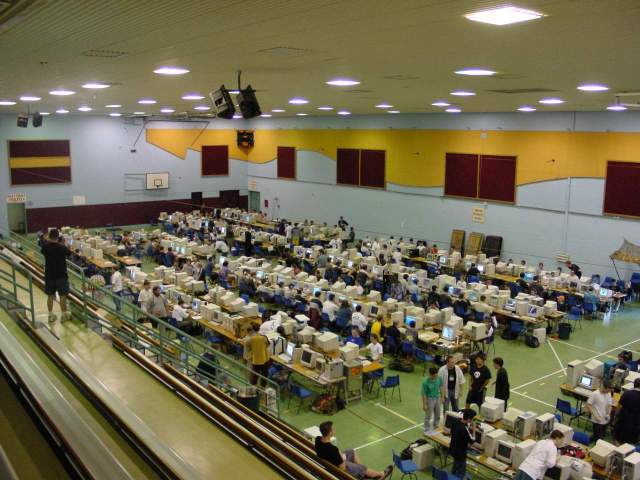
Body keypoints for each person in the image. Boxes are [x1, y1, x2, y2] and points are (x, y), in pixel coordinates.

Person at [314, 421, 392, 479]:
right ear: (330, 433)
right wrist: (342, 458)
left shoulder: (318, 439)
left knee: (350, 451)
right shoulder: (333, 449)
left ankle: (363, 473)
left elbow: (328, 453)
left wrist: (340, 455)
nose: (334, 430)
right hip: (337, 469)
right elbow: (342, 468)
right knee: (360, 468)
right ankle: (380, 474)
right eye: (333, 429)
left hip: (330, 463)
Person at [41, 229, 71, 322]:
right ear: (58, 237)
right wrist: (63, 244)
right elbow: (69, 253)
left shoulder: (45, 247)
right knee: (62, 296)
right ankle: (63, 315)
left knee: (50, 296)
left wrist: (48, 240)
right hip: (61, 275)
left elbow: (42, 249)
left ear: (49, 236)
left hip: (49, 275)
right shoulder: (62, 247)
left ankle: (50, 315)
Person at [449, 409, 476, 479]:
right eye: (473, 419)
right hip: (460, 455)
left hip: (453, 449)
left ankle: (452, 476)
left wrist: (468, 425)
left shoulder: (456, 421)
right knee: (461, 473)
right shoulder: (464, 429)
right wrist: (474, 429)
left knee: (455, 466)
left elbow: (451, 432)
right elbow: (472, 441)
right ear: (469, 419)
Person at [613, 378, 640, 445]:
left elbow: (619, 407)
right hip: (636, 424)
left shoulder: (627, 393)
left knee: (618, 439)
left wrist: (615, 416)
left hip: (623, 421)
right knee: (630, 443)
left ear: (634, 384)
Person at [422, 367, 443, 434]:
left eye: (436, 375)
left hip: (437, 397)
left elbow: (441, 386)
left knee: (438, 413)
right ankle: (427, 428)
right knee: (428, 415)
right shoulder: (425, 382)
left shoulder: (439, 378)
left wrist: (442, 397)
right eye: (434, 376)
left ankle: (436, 426)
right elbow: (424, 394)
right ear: (430, 374)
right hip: (430, 399)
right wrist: (424, 404)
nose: (435, 377)